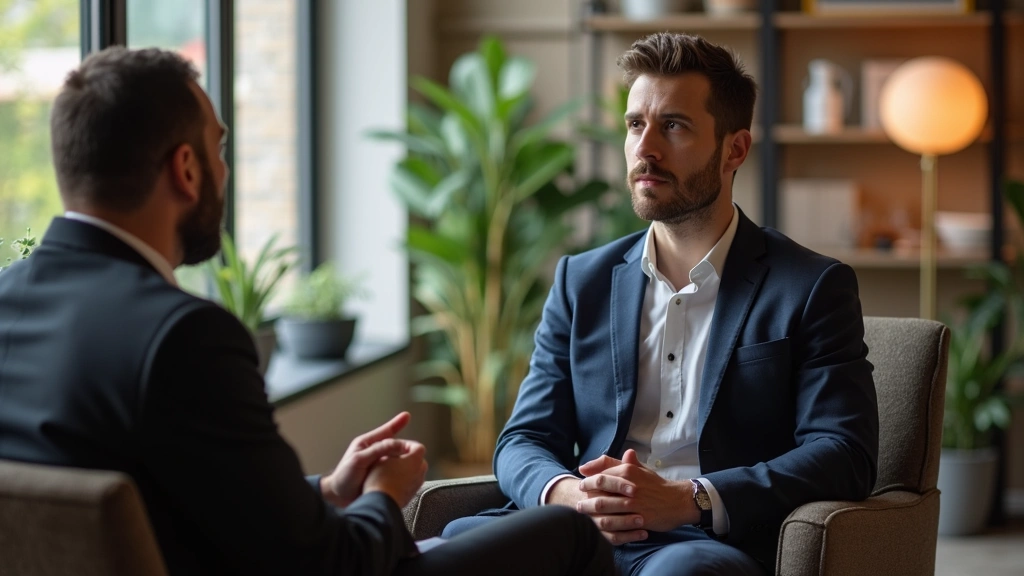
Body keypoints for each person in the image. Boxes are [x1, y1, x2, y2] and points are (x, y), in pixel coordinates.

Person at [0, 46, 615, 576]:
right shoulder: (183, 336)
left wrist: (327, 489)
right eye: (218, 148)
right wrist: (384, 495)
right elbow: (333, 566)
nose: (225, 169)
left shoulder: (9, 298)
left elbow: (166, 486)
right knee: (568, 536)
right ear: (186, 170)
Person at [442, 32, 880, 575]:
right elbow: (525, 438)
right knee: (444, 550)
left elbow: (844, 453)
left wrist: (690, 498)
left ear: (734, 149)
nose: (645, 148)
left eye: (673, 125)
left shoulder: (812, 286)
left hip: (700, 545)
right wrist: (568, 495)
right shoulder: (581, 281)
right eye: (634, 124)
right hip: (580, 526)